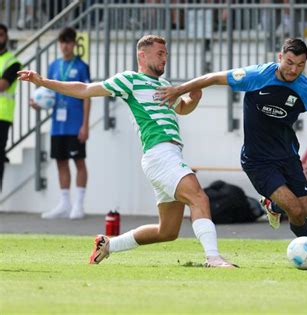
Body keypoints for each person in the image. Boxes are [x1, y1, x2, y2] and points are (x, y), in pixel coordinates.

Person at [18, 34, 236, 268]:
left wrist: (194, 99)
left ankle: (108, 245)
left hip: (168, 156)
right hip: (160, 154)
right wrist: (43, 82)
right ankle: (213, 258)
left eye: (166, 54)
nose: (165, 59)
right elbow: (84, 89)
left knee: (167, 231)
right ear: (142, 55)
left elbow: (182, 109)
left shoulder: (164, 85)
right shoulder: (130, 80)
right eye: (160, 54)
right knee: (199, 197)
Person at [156, 37, 307, 267]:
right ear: (280, 57)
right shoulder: (257, 76)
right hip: (258, 160)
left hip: (288, 157)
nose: (294, 69)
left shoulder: (304, 87)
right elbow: (213, 77)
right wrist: (178, 90)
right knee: (294, 208)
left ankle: (272, 204)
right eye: (289, 62)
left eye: (300, 65)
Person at [30, 27, 91, 220]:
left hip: (75, 122)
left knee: (79, 162)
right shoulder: (53, 66)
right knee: (60, 162)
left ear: (75, 44)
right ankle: (65, 203)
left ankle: (79, 205)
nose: (65, 46)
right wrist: (38, 103)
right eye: (62, 42)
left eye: (69, 42)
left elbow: (88, 97)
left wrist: (85, 125)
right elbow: (48, 93)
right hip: (58, 124)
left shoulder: (82, 66)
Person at [0, 24, 21, 193]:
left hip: (2, 116)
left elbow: (3, 85)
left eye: (1, 35)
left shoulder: (13, 62)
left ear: (6, 37)